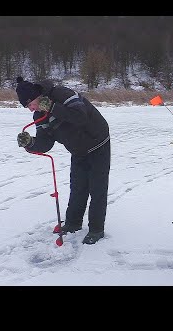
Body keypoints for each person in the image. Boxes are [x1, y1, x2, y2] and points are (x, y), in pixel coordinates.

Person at [15, 76, 110, 245]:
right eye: (28, 107)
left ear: (36, 97)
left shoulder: (61, 94)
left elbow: (81, 117)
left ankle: (96, 229)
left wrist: (52, 107)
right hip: (78, 150)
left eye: (30, 105)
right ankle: (73, 224)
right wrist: (30, 143)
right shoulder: (39, 115)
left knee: (97, 189)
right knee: (78, 187)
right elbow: (45, 143)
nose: (31, 109)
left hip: (98, 143)